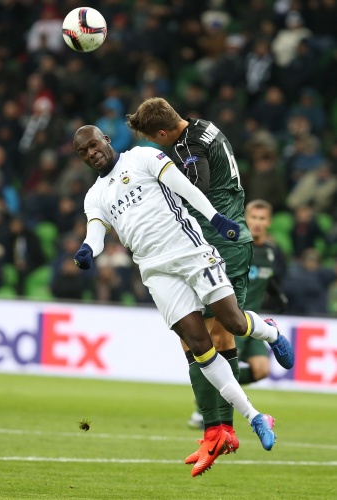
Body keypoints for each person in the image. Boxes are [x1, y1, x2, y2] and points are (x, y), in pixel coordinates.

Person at [72, 125, 294, 476]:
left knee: (233, 323)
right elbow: (96, 232)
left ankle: (270, 332)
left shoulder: (143, 157)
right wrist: (87, 249)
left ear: (106, 140)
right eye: (83, 151)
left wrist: (216, 219)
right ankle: (254, 417)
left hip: (189, 250)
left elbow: (185, 187)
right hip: (155, 272)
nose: (91, 153)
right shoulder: (94, 196)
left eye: (93, 144)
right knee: (199, 346)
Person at [126, 97, 265, 459]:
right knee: (200, 337)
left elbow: (197, 183)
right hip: (212, 239)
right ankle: (219, 429)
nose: (157, 147)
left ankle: (223, 425)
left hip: (221, 239)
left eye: (154, 140)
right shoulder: (203, 127)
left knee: (216, 332)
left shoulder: (188, 147)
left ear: (162, 132)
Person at [188, 199, 288, 429]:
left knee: (261, 370)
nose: (258, 222)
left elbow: (270, 278)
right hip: (233, 320)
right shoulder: (236, 246)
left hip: (253, 321)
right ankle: (202, 411)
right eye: (254, 217)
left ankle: (214, 391)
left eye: (262, 218)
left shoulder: (272, 252)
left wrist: (278, 295)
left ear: (269, 222)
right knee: (226, 366)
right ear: (245, 218)